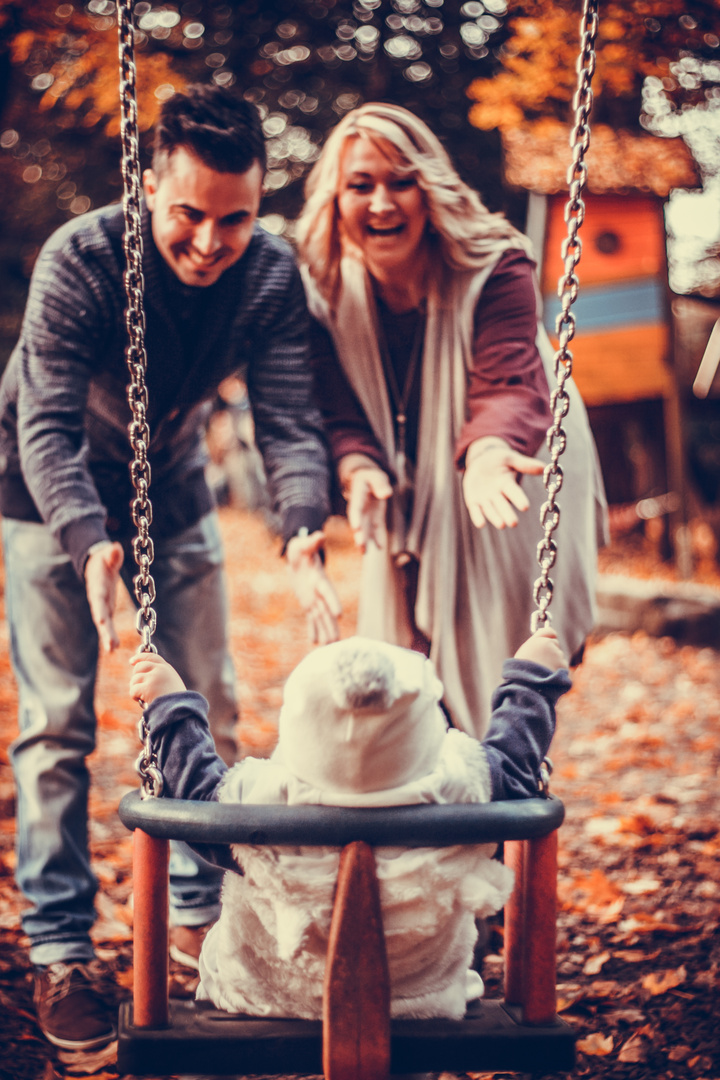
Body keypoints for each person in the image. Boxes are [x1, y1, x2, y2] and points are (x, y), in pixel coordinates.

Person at [0, 84, 341, 1051]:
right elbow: (46, 419)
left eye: (234, 218)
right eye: (188, 213)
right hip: (44, 493)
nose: (209, 240)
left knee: (209, 706)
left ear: (260, 202)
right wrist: (85, 536)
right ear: (150, 186)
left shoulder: (269, 273)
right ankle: (63, 948)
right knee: (58, 723)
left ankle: (198, 916)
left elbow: (288, 418)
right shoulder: (83, 257)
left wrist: (303, 526)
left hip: (175, 488)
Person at [296, 103, 608, 739]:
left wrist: (488, 452)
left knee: (499, 661)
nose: (381, 203)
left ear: (428, 186)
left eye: (400, 181)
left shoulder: (494, 264)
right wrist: (357, 468)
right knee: (400, 669)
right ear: (336, 197)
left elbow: (510, 379)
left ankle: (503, 804)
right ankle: (422, 814)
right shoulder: (323, 290)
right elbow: (337, 410)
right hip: (408, 476)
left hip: (518, 463)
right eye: (361, 185)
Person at [129, 627, 571, 1020]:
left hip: (267, 997)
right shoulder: (461, 787)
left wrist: (171, 705)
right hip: (421, 1000)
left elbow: (195, 794)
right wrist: (531, 682)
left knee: (230, 962)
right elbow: (514, 764)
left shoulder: (260, 799)